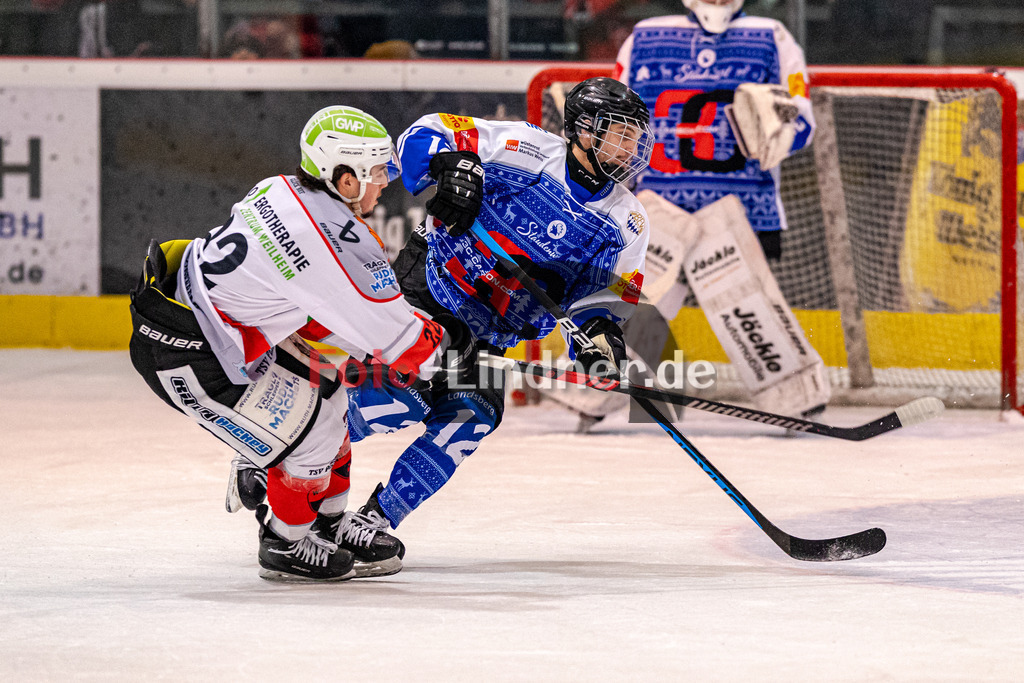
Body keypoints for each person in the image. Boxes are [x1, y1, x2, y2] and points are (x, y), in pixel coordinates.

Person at [127, 105, 466, 582]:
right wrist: (450, 344)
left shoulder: (281, 188)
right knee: (315, 435)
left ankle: (327, 521)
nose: (384, 183)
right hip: (188, 352)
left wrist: (386, 345)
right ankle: (284, 542)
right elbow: (410, 348)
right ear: (344, 179)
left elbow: (330, 314)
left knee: (333, 394)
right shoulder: (338, 241)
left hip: (216, 325)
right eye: (375, 172)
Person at [601, 0, 829, 422]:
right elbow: (615, 120)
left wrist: (782, 129)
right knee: (632, 312)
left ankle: (800, 402)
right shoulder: (644, 37)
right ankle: (607, 395)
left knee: (747, 315)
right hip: (658, 210)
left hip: (739, 212)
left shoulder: (772, 37)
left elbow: (803, 121)